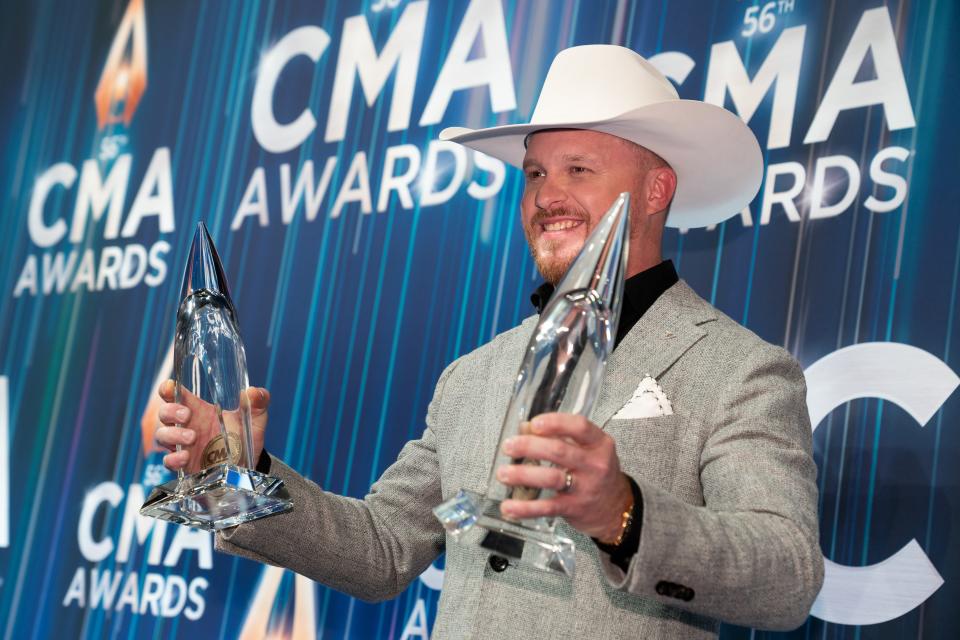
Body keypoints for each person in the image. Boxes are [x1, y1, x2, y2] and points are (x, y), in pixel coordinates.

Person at [156, 45, 823, 638]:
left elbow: (789, 576)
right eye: (535, 174)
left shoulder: (743, 371)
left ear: (656, 189)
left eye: (579, 170)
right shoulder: (472, 374)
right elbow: (382, 549)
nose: (547, 197)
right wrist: (237, 472)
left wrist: (624, 514)